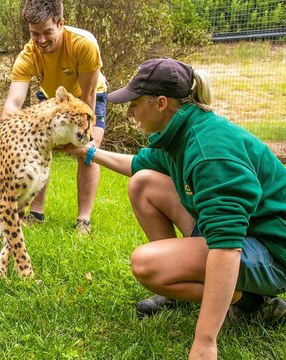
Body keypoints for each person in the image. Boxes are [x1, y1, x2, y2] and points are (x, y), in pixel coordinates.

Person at [70, 58, 286, 359]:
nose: (130, 112)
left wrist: (205, 341)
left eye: (134, 103)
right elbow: (138, 165)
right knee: (144, 183)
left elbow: (227, 248)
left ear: (161, 103)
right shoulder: (180, 132)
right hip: (248, 234)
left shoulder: (209, 153)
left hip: (273, 252)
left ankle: (250, 302)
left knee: (147, 264)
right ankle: (182, 292)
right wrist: (87, 152)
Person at [2, 0, 108, 234]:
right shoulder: (28, 54)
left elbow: (88, 95)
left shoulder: (83, 44)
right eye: (34, 34)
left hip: (89, 97)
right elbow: (14, 101)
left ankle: (83, 220)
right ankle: (36, 214)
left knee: (88, 152)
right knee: (39, 148)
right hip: (53, 98)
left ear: (61, 23)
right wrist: (6, 132)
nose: (41, 40)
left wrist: (83, 138)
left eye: (47, 32)